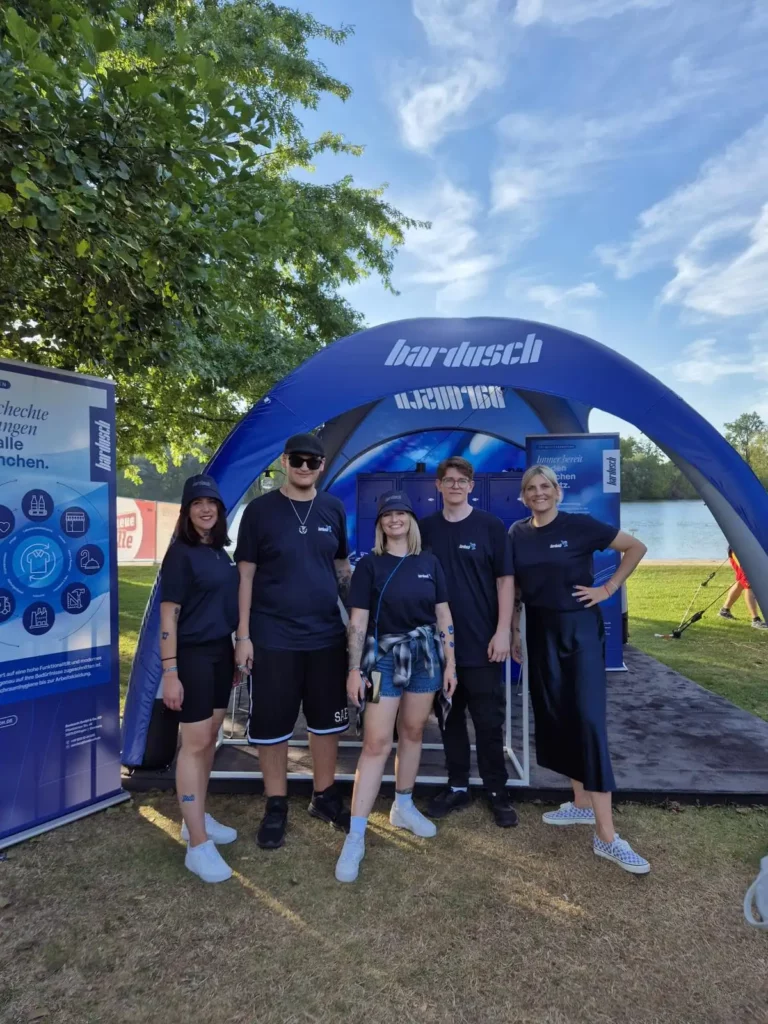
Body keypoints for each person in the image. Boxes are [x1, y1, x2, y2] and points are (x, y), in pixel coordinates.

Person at [510, 465, 651, 874]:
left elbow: (635, 547)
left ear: (557, 491)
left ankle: (607, 837)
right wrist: (517, 631)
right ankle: (581, 804)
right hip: (539, 630)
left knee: (588, 721)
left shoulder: (581, 525)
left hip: (580, 632)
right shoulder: (517, 533)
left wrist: (608, 588)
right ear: (524, 496)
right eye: (531, 489)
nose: (538, 493)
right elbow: (517, 587)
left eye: (545, 487)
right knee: (557, 715)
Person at [234, 433, 352, 850]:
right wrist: (243, 636)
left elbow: (341, 568)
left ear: (322, 465)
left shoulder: (334, 508)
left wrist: (362, 615)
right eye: (297, 460)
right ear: (284, 461)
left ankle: (324, 796)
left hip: (325, 636)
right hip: (272, 636)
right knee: (273, 725)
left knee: (326, 723)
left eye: (313, 461)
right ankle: (276, 804)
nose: (305, 467)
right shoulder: (260, 512)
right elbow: (244, 576)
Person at [335, 491, 458, 883]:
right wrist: (354, 670)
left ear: (412, 520)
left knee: (414, 731)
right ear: (380, 524)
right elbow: (357, 621)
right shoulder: (369, 565)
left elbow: (443, 615)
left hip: (425, 657)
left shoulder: (430, 562)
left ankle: (402, 806)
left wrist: (450, 661)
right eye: (387, 514)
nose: (395, 519)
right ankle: (355, 835)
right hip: (382, 660)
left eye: (402, 513)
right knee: (375, 744)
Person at [419, 456, 518, 827]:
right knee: (449, 720)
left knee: (489, 723)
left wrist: (503, 630)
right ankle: (458, 785)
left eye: (462, 480)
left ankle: (497, 791)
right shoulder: (424, 529)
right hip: (439, 648)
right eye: (449, 480)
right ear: (438, 486)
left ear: (472, 486)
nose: (456, 485)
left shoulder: (491, 526)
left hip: (483, 645)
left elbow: (505, 582)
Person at [159, 474, 240, 883]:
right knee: (193, 745)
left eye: (212, 503)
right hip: (189, 655)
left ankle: (196, 818)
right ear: (187, 511)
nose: (206, 509)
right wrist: (170, 672)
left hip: (219, 653)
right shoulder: (181, 554)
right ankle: (197, 845)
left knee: (209, 738)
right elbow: (168, 615)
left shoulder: (221, 553)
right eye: (197, 504)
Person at [719, 548, 768, 629]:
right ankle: (755, 620)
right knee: (749, 583)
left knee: (741, 583)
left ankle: (725, 610)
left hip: (747, 549)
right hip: (739, 550)